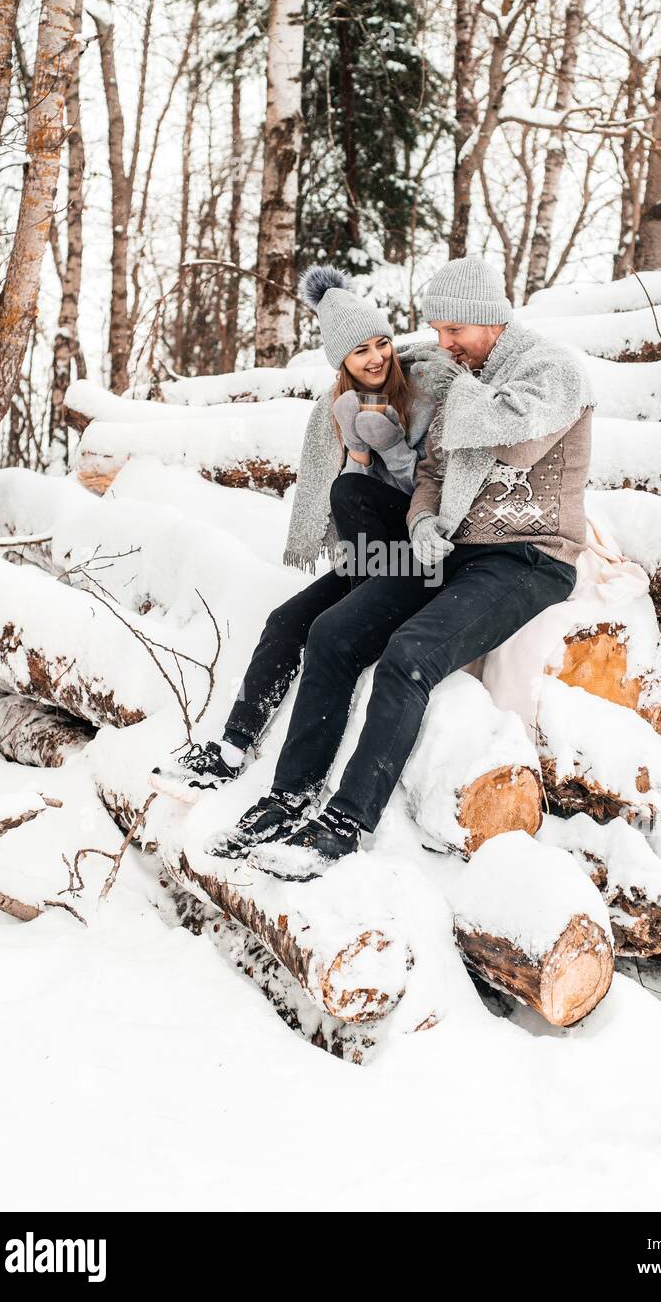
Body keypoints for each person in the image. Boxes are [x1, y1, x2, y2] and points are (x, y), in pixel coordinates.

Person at [208, 255, 597, 882]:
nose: (440, 344)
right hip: (452, 550)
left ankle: (345, 822)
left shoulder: (550, 371)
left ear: (486, 320)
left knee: (410, 654)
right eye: (437, 333)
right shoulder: (468, 370)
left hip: (530, 556)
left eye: (451, 332)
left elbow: (515, 437)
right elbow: (436, 472)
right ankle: (288, 794)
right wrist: (419, 522)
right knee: (332, 634)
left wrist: (449, 379)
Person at [150, 265, 441, 804]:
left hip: (417, 556)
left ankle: (359, 607)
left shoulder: (424, 395)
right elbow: (338, 491)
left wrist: (393, 449)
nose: (377, 357)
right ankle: (232, 747)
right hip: (369, 558)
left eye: (382, 343)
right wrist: (356, 450)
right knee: (285, 620)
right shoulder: (333, 411)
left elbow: (433, 487)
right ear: (342, 362)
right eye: (361, 351)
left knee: (350, 499)